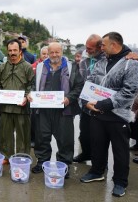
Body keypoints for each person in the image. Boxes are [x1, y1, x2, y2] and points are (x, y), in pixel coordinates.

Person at [80, 32, 138, 197]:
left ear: (114, 45)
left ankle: (120, 182)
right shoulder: (102, 61)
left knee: (120, 152)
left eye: (103, 45)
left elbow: (129, 92)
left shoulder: (132, 64)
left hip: (118, 116)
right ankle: (97, 171)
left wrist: (104, 104)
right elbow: (90, 81)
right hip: (97, 114)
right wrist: (85, 100)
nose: (101, 48)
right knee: (97, 146)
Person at [29, 42, 84, 178]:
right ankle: (42, 161)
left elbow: (79, 86)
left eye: (57, 52)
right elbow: (31, 84)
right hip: (43, 110)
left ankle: (64, 165)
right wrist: (30, 93)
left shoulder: (71, 67)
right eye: (51, 52)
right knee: (42, 138)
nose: (54, 55)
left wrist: (69, 99)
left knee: (65, 140)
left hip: (63, 111)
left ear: (62, 52)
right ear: (48, 52)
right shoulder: (40, 66)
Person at [0, 39, 35, 164]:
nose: (12, 53)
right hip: (5, 107)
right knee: (5, 134)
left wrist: (26, 96)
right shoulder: (2, 67)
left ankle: (22, 157)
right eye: (10, 50)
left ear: (20, 51)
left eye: (15, 50)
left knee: (23, 135)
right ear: (7, 51)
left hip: (21, 107)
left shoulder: (27, 67)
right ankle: (6, 156)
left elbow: (31, 85)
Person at [73, 34, 106, 163]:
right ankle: (86, 153)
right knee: (84, 133)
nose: (87, 51)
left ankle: (101, 162)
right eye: (86, 48)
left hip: (100, 103)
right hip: (85, 104)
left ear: (99, 47)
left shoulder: (107, 60)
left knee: (100, 136)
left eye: (90, 48)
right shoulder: (84, 60)